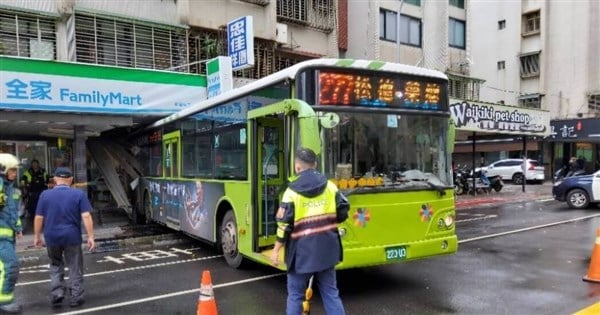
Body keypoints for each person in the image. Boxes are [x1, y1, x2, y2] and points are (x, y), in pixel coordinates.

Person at [270, 147, 349, 315]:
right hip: (327, 251)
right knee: (331, 294)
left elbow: (283, 225)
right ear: (315, 165)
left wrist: (276, 250)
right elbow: (343, 211)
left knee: (296, 296)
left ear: (297, 167)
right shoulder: (330, 187)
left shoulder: (291, 192)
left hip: (301, 255)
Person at [34, 167, 95, 308]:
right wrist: (91, 236)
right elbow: (86, 216)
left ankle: (57, 293)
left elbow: (38, 217)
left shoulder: (45, 195)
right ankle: (76, 296)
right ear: (71, 180)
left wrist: (37, 236)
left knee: (55, 264)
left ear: (55, 179)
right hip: (72, 237)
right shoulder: (78, 194)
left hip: (52, 237)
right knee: (74, 266)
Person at [0, 153, 23, 314]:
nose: (15, 173)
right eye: (12, 170)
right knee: (11, 266)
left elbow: (13, 211)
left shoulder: (11, 190)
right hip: (1, 238)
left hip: (9, 237)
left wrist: (18, 227)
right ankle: (5, 301)